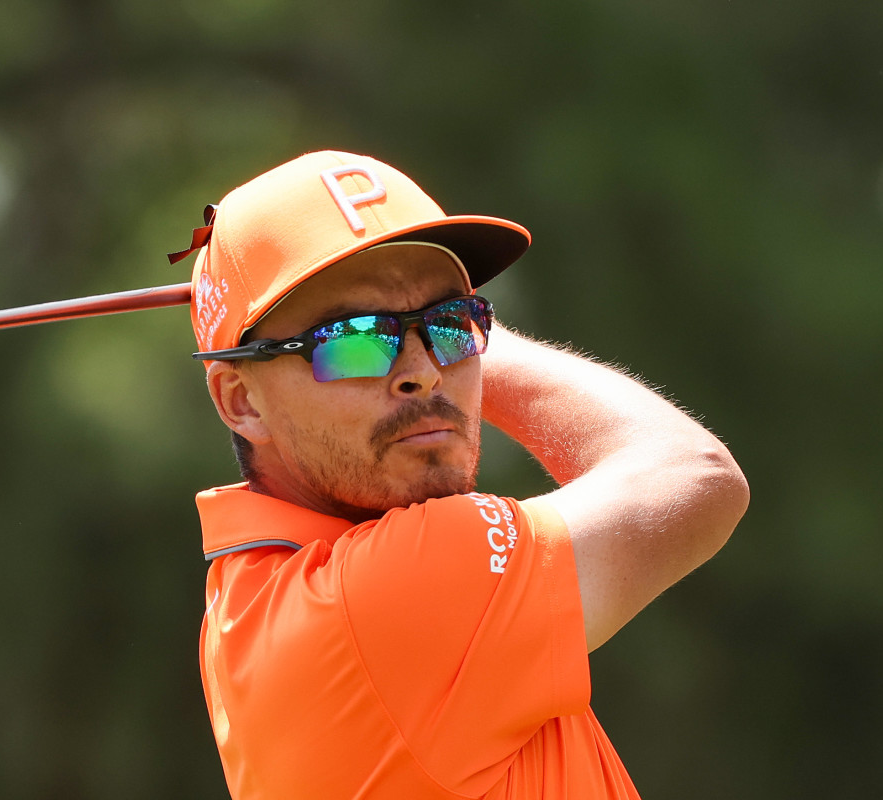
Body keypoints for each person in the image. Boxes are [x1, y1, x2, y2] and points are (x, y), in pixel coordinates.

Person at [172, 150, 749, 799]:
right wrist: (453, 328)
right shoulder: (395, 588)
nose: (422, 370)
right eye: (353, 338)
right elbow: (693, 474)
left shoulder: (252, 592)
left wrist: (412, 330)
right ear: (241, 401)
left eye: (452, 324)